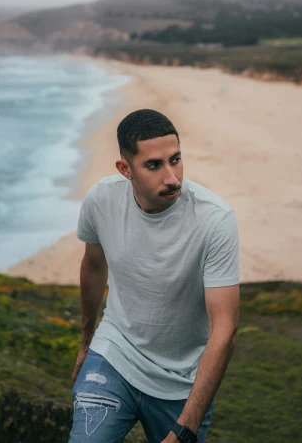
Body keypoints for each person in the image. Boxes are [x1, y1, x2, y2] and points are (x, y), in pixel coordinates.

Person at [68, 109, 240, 443]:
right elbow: (93, 265)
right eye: (154, 165)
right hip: (114, 353)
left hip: (181, 380)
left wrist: (186, 429)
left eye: (175, 160)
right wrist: (87, 341)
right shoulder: (101, 200)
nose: (172, 177)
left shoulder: (215, 220)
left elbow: (225, 329)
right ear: (125, 169)